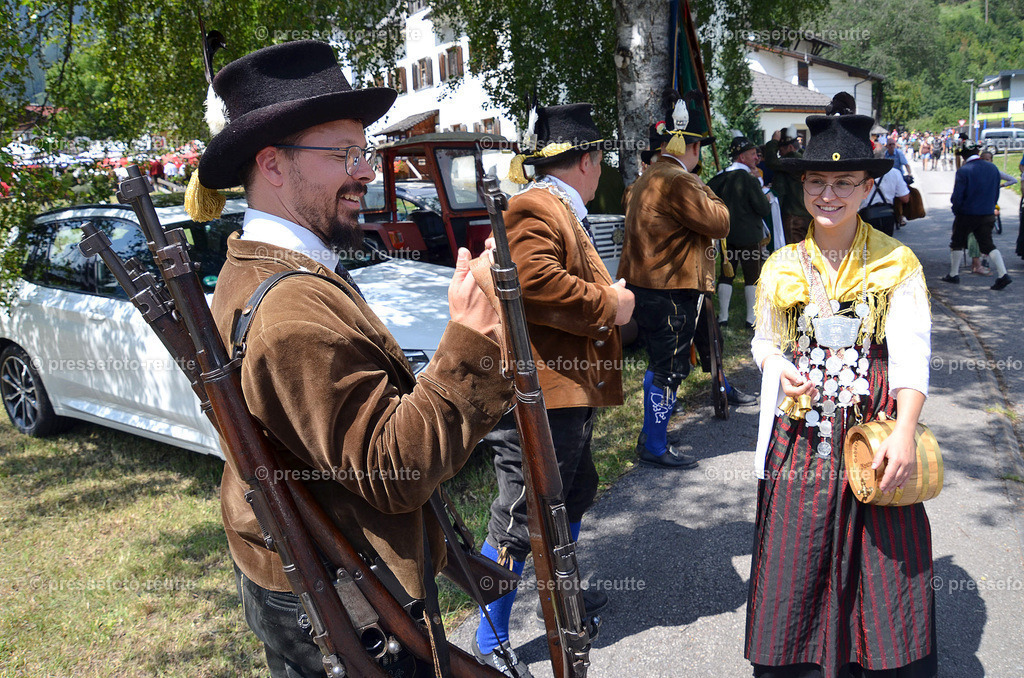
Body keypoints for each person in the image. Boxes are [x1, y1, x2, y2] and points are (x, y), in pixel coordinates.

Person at [186, 40, 514, 677]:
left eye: (363, 152)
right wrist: (473, 343)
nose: (366, 171)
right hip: (349, 613)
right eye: (344, 155)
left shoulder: (279, 268)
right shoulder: (288, 312)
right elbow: (393, 470)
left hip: (336, 588)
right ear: (273, 165)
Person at [747, 92, 936, 678]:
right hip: (799, 435)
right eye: (816, 183)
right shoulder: (781, 266)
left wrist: (904, 434)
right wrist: (777, 368)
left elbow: (912, 357)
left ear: (867, 189)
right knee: (795, 556)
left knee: (881, 558)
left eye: (845, 183)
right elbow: (765, 343)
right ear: (801, 186)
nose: (828, 196)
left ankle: (875, 659)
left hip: (871, 433)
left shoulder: (896, 264)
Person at [474, 103, 632, 676]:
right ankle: (490, 641)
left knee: (575, 492)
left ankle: (558, 602)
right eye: (601, 160)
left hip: (562, 394)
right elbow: (534, 284)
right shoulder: (535, 207)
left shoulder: (556, 205)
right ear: (587, 160)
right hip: (534, 396)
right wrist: (610, 305)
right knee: (520, 516)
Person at [618, 90, 752, 470]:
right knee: (668, 368)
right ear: (689, 147)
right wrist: (706, 188)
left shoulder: (647, 178)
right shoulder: (680, 181)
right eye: (699, 149)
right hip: (671, 290)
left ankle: (653, 434)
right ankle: (655, 444)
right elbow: (720, 221)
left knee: (661, 363)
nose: (700, 157)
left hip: (646, 286)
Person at [707, 134, 773, 328]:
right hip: (750, 237)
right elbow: (763, 210)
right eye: (753, 154)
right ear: (742, 157)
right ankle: (750, 319)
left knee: (726, 275)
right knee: (752, 276)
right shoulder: (751, 181)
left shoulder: (720, 178)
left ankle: (724, 317)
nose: (756, 157)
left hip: (727, 237)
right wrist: (766, 200)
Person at [941, 142, 1013, 290]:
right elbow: (995, 193)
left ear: (964, 155)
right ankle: (1003, 274)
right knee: (987, 244)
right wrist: (991, 206)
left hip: (967, 214)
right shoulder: (992, 168)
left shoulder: (964, 170)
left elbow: (958, 196)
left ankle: (954, 274)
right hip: (987, 213)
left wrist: (956, 209)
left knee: (957, 243)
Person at [765, 126, 812, 244]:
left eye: (781, 149)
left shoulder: (793, 160)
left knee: (794, 253)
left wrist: (773, 142)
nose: (779, 153)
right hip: (805, 214)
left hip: (794, 216)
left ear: (790, 147)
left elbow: (771, 161)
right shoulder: (803, 158)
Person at [858, 158, 910, 237]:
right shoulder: (895, 173)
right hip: (887, 215)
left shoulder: (860, 173)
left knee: (868, 246)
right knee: (886, 245)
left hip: (866, 215)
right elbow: (905, 198)